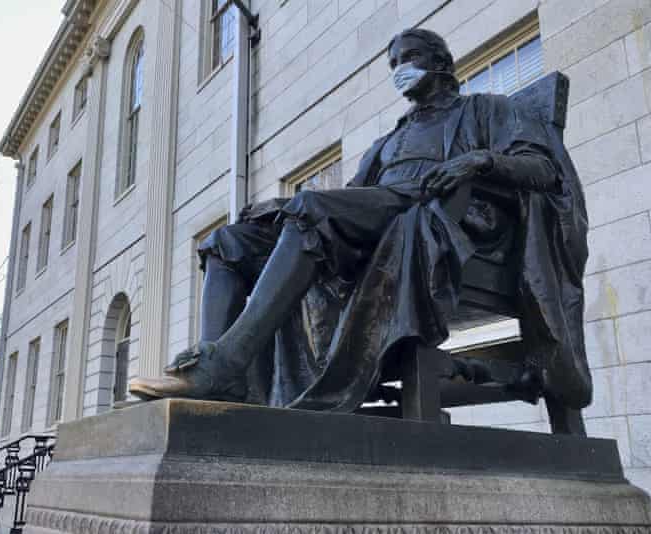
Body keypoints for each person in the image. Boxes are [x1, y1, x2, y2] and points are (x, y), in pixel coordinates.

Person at [129, 28, 591, 412]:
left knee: (310, 209)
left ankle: (225, 361)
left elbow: (544, 169)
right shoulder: (388, 141)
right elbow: (350, 201)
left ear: (440, 62)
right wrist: (282, 209)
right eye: (392, 64)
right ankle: (220, 376)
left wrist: (480, 162)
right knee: (229, 241)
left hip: (452, 225)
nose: (398, 71)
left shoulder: (487, 109)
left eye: (407, 58)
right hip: (379, 224)